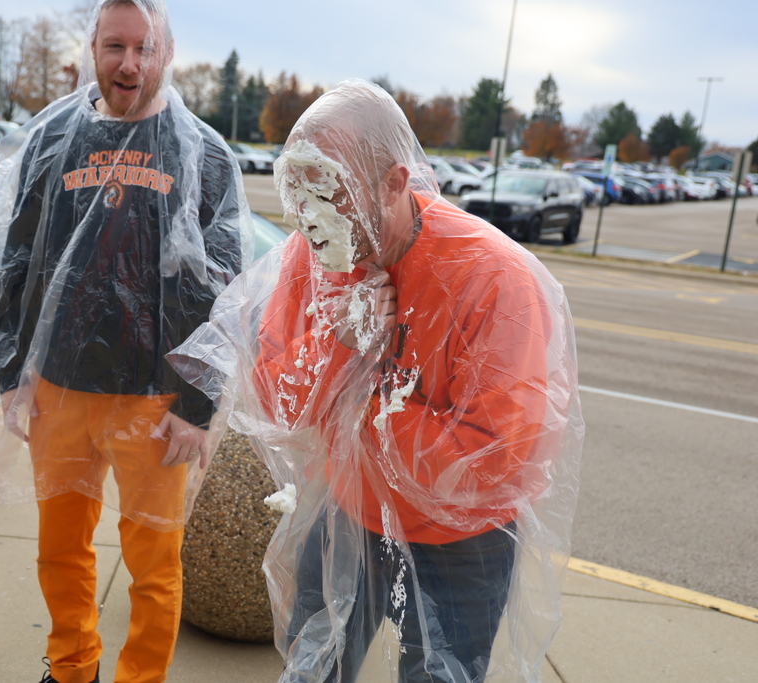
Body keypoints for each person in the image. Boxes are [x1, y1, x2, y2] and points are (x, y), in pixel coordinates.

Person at [169, 80, 583, 682]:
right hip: (346, 511)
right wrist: (341, 343)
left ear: (394, 183)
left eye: (330, 190)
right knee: (313, 667)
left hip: (461, 544)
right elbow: (280, 403)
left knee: (440, 674)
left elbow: (498, 456)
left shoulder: (495, 280)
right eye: (300, 192)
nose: (311, 215)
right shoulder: (308, 262)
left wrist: (366, 400)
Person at [0, 1, 248, 681]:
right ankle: (72, 667)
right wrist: (13, 371)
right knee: (60, 548)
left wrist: (200, 402)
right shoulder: (55, 137)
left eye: (145, 48)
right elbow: (18, 257)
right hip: (59, 388)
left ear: (168, 52)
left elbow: (226, 287)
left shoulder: (202, 151)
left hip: (156, 401)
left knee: (154, 567)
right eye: (115, 45)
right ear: (91, 47)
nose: (130, 63)